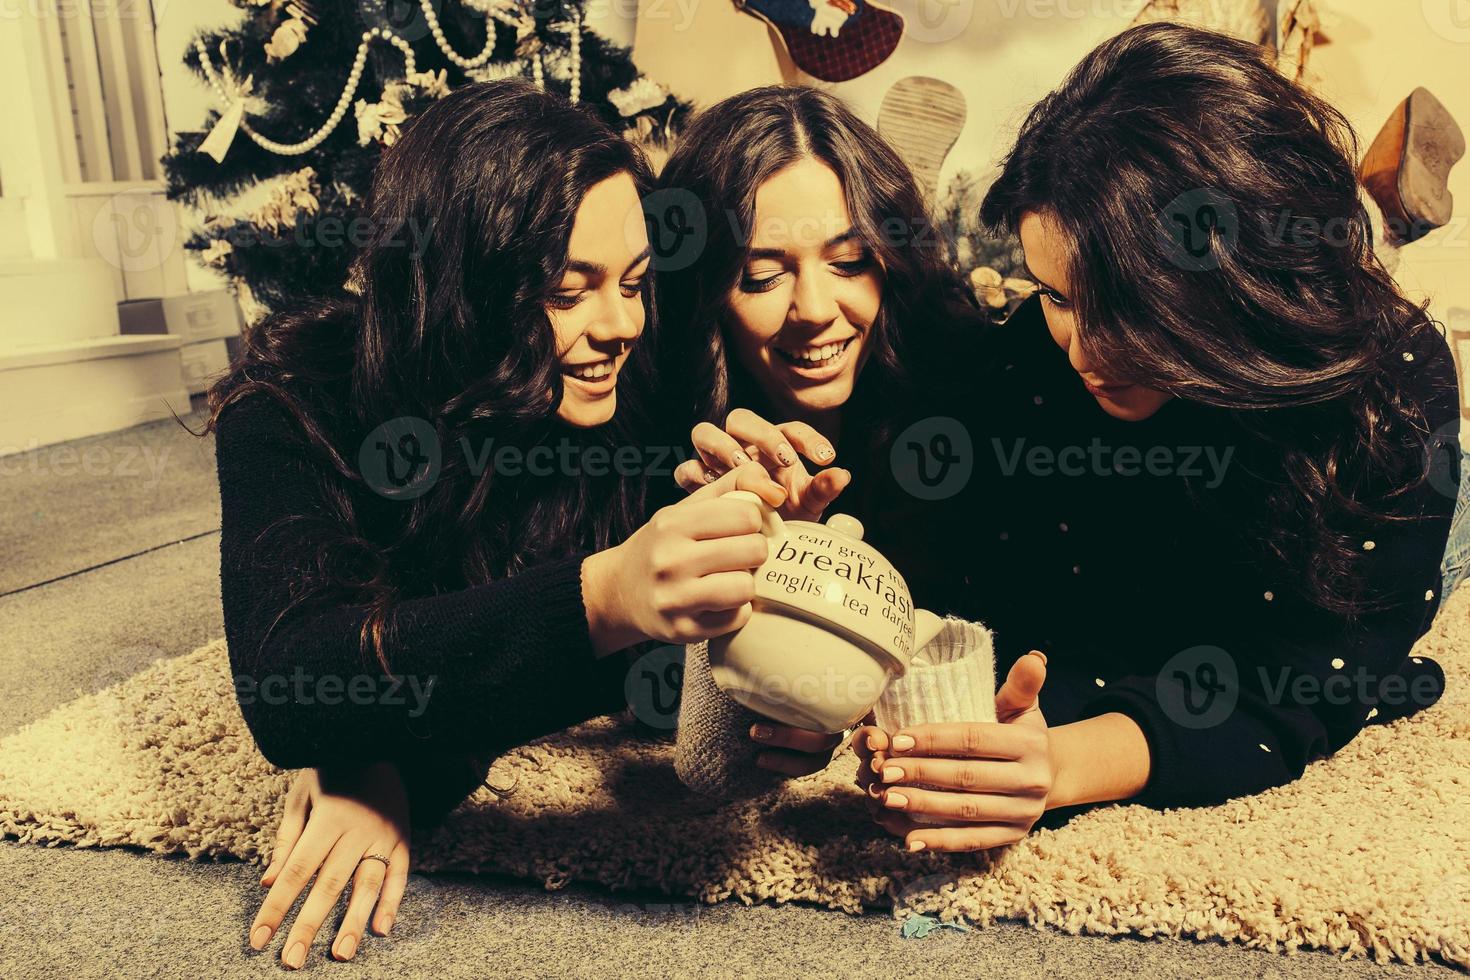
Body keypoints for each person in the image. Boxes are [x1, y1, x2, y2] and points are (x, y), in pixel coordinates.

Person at [203, 79, 792, 967]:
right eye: (568, 290)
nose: (620, 324)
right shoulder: (290, 402)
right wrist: (600, 600)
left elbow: (656, 688)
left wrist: (768, 557)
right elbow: (290, 684)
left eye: (633, 283)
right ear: (460, 287)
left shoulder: (629, 384)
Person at [850, 22, 1466, 852]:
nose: (1088, 355)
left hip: (1381, 512)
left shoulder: (1390, 384)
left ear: (1245, 285)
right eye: (1059, 297)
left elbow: (1302, 688)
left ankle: (1379, 216)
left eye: (1134, 311)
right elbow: (969, 587)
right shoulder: (1030, 355)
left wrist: (1062, 767)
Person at [653, 83, 1000, 772]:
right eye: (760, 276)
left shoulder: (963, 400)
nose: (814, 308)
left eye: (848, 262)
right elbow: (670, 725)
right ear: (705, 290)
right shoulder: (672, 432)